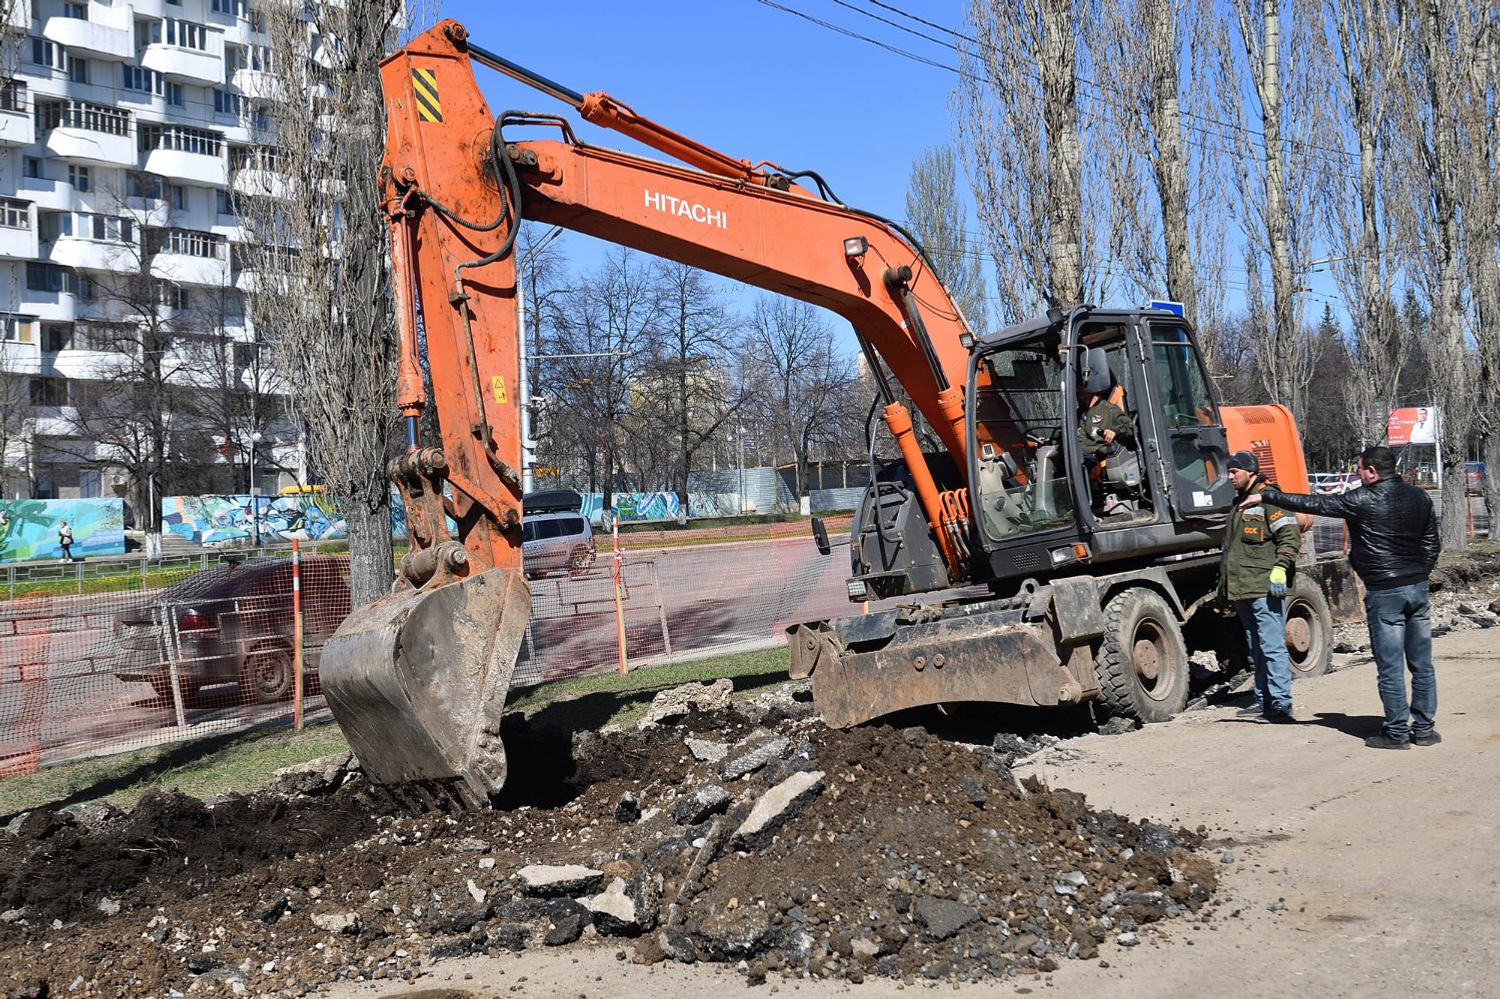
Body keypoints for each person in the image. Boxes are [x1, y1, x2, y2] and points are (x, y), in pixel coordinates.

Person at [1242, 445, 1441, 750]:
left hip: (1384, 591)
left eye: (1359, 469)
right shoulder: (1420, 497)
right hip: (1417, 587)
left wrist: (1267, 495)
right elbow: (1431, 543)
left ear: (1372, 472)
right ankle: (1425, 730)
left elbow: (1315, 503)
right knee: (1422, 664)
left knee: (1389, 667)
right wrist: (1417, 572)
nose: (1357, 475)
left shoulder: (1363, 499)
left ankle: (1397, 733)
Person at [1219, 450, 1301, 724]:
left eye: (1234, 472)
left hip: (1264, 587)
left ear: (1250, 471)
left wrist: (1281, 567)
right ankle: (1264, 699)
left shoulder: (1270, 498)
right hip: (1244, 587)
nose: (1229, 476)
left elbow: (1290, 536)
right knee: (1256, 646)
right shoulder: (1240, 501)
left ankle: (1281, 704)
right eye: (1229, 471)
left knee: (1272, 645)